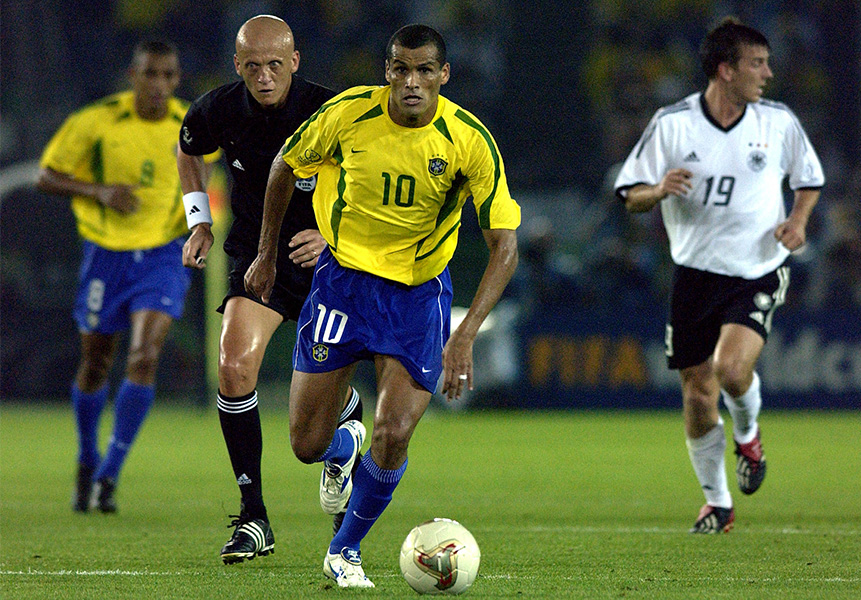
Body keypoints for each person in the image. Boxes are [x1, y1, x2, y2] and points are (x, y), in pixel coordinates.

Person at [245, 24, 520, 588]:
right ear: (387, 72)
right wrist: (267, 253)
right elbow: (283, 166)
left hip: (417, 297)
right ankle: (344, 441)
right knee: (304, 445)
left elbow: (505, 247)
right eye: (400, 69)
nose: (411, 82)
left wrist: (465, 333)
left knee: (395, 430)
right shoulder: (348, 115)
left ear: (444, 75)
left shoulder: (469, 141)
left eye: (424, 71)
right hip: (342, 285)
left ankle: (344, 550)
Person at [614, 17, 824, 533]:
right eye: (757, 63)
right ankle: (718, 503)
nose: (768, 73)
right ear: (726, 70)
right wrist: (658, 190)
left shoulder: (776, 122)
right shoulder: (673, 124)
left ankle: (748, 436)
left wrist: (797, 220)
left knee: (731, 370)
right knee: (697, 391)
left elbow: (809, 179)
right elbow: (629, 194)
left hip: (756, 268)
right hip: (693, 275)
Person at [177, 15, 363, 564]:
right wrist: (198, 221)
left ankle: (344, 429)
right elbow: (188, 149)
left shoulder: (333, 112)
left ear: (295, 61)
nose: (263, 76)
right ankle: (254, 515)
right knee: (233, 369)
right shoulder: (218, 109)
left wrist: (331, 233)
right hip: (258, 259)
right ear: (238, 65)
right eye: (252, 65)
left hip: (333, 263)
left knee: (315, 416)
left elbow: (371, 178)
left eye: (274, 65)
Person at [37, 40, 204, 514]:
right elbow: (47, 176)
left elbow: (202, 179)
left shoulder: (190, 124)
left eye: (169, 76)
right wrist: (98, 191)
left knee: (144, 356)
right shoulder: (96, 120)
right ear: (133, 74)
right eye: (151, 74)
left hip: (162, 256)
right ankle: (87, 459)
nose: (160, 85)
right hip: (105, 257)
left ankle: (110, 472)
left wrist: (201, 232)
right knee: (95, 362)